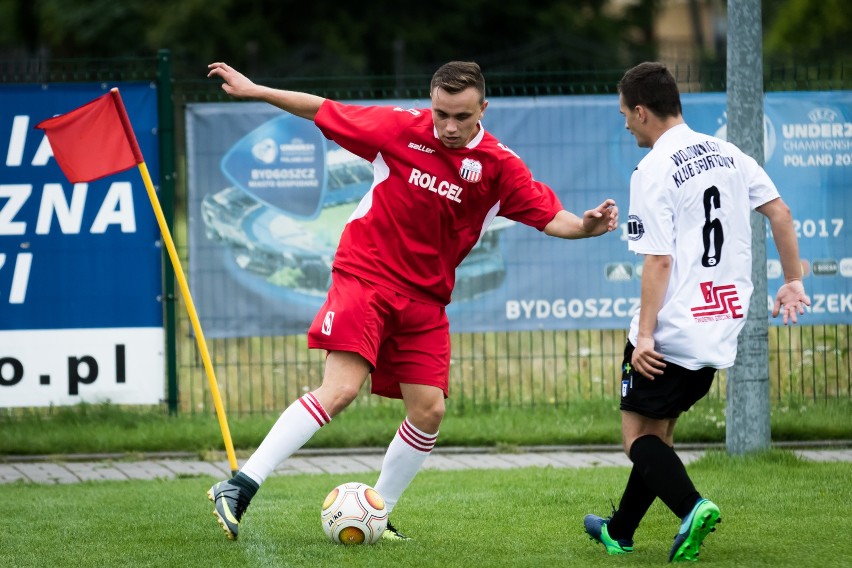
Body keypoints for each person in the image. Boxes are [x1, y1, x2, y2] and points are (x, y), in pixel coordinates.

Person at [205, 60, 619, 542]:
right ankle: (238, 487)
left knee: (429, 411)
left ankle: (378, 513)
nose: (449, 126)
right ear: (431, 104)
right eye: (441, 113)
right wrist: (257, 90)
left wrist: (588, 226)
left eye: (462, 116)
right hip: (367, 275)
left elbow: (555, 219)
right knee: (339, 390)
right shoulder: (400, 129)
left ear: (483, 109)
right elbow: (323, 108)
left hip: (425, 300)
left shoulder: (499, 167)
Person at [583, 61, 810, 562]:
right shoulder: (728, 153)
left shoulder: (651, 170)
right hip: (720, 324)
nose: (624, 124)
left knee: (636, 439)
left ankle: (692, 506)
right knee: (659, 435)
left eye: (625, 114)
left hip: (671, 330)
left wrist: (645, 337)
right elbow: (781, 213)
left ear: (641, 112)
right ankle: (619, 531)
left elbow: (658, 259)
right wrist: (793, 282)